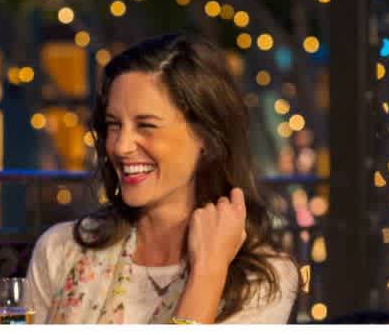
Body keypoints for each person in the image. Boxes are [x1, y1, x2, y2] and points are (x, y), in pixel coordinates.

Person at [25, 34, 299, 324]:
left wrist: (208, 273)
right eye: (114, 125)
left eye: (146, 125)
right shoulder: (60, 250)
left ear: (205, 136)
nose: (121, 146)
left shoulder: (263, 280)